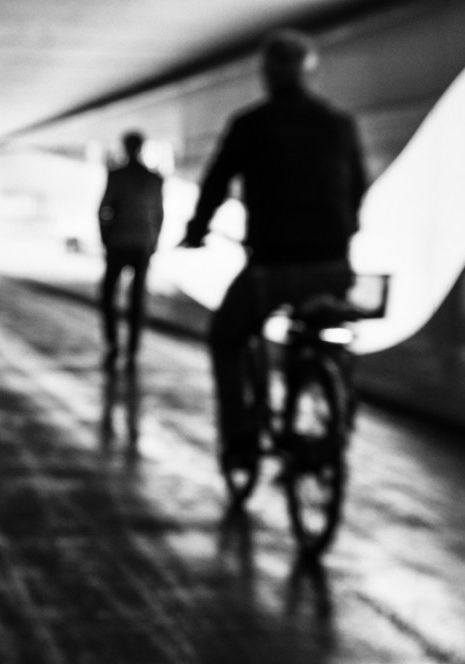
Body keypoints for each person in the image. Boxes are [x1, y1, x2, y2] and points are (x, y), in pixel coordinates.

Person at [179, 30, 367, 464]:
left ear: (266, 73)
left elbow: (216, 183)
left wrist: (196, 230)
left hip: (272, 265)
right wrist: (342, 232)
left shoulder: (251, 124)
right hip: (333, 263)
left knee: (226, 337)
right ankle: (333, 401)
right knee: (320, 326)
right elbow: (358, 187)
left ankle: (240, 438)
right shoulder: (339, 123)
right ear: (308, 72)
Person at [98, 130, 165, 372]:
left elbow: (103, 210)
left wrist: (105, 239)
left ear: (125, 148)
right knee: (137, 299)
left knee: (108, 294)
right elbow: (159, 213)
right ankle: (133, 349)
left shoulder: (116, 176)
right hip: (142, 244)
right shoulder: (154, 178)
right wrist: (154, 241)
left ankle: (113, 343)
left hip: (118, 243)